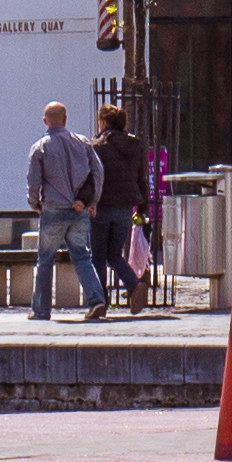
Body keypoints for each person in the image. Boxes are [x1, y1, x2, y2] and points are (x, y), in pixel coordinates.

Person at [24, 101, 103, 319]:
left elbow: (33, 180)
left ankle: (41, 309)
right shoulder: (82, 143)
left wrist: (34, 203)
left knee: (46, 260)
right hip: (78, 209)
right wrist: (92, 201)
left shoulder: (40, 147)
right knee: (82, 257)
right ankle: (96, 300)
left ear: (45, 121)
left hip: (53, 210)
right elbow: (98, 171)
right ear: (66, 120)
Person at [91, 105, 159, 317]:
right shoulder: (135, 145)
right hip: (125, 207)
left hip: (101, 206)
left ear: (103, 122)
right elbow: (141, 179)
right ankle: (133, 284)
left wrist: (87, 201)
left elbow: (91, 177)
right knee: (115, 255)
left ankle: (100, 301)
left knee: (98, 257)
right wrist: (143, 206)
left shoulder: (97, 146)